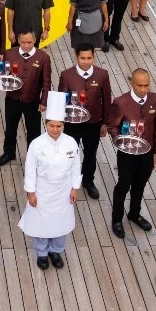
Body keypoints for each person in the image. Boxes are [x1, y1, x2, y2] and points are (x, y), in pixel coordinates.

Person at [18, 91, 81, 269]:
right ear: (46, 125)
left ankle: (56, 250)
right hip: (43, 190)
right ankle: (42, 253)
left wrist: (75, 188)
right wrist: (31, 192)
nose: (55, 129)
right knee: (41, 223)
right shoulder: (36, 144)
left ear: (63, 125)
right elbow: (30, 170)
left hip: (63, 190)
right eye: (52, 126)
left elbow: (76, 166)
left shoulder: (71, 143)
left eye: (58, 126)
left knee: (60, 223)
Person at [107, 67, 156, 236]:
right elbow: (112, 126)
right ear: (132, 83)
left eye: (146, 85)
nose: (143, 89)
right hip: (127, 154)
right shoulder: (121, 102)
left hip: (147, 153)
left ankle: (134, 214)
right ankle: (117, 219)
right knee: (123, 186)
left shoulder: (155, 99)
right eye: (140, 85)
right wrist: (122, 142)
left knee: (140, 185)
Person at [57, 44, 111, 199]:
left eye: (89, 58)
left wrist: (105, 123)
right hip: (72, 124)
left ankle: (88, 181)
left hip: (93, 123)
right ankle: (67, 181)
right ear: (76, 57)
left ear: (93, 56)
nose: (86, 62)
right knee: (69, 153)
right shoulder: (66, 75)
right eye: (83, 58)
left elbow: (107, 100)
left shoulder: (103, 75)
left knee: (90, 154)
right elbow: (61, 101)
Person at [0, 29, 51, 167]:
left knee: (34, 131)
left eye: (30, 42)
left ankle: (33, 158)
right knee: (10, 127)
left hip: (32, 101)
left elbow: (46, 82)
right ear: (18, 41)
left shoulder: (43, 57)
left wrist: (44, 102)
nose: (26, 45)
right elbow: (3, 74)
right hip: (12, 99)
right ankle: (9, 152)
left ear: (35, 40)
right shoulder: (9, 53)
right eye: (23, 42)